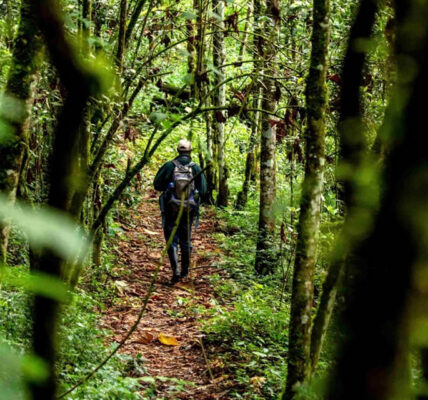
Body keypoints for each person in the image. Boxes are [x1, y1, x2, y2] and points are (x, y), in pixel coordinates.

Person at [154, 139, 207, 284]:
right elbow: (203, 190)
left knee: (172, 240)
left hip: (171, 209)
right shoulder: (196, 168)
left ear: (178, 151)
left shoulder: (169, 166)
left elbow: (157, 185)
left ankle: (175, 271)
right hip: (189, 210)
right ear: (190, 151)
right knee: (185, 240)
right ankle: (184, 272)